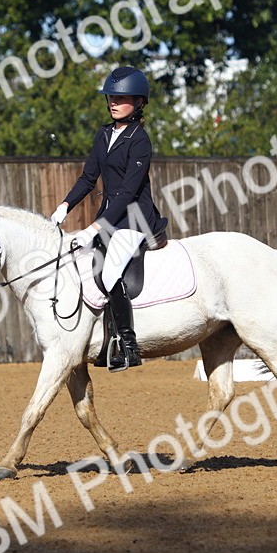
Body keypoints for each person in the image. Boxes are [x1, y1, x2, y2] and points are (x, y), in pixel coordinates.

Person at [49, 66, 169, 372]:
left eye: (121, 97)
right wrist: (65, 205)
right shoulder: (103, 134)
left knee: (110, 270)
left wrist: (94, 227)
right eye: (111, 96)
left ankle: (128, 345)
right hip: (109, 216)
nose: (113, 102)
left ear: (139, 101)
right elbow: (89, 178)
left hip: (135, 219)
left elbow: (129, 191)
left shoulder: (140, 140)